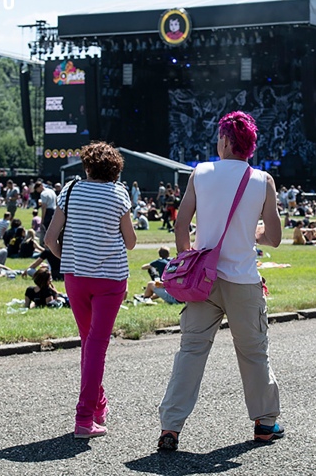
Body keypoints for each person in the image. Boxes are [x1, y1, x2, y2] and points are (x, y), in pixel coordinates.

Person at [157, 111, 283, 451]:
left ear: (225, 141)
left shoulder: (201, 173)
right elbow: (274, 237)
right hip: (243, 279)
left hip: (203, 280)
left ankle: (171, 427)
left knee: (191, 352)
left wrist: (187, 260)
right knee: (254, 352)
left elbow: (181, 225)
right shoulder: (263, 181)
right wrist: (252, 232)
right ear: (249, 146)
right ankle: (265, 422)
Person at [44, 141, 136, 439]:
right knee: (96, 346)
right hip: (110, 280)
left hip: (75, 278)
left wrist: (68, 256)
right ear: (114, 169)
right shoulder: (119, 194)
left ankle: (98, 405)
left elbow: (49, 239)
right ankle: (84, 417)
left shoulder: (69, 190)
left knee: (89, 342)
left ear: (86, 166)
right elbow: (131, 241)